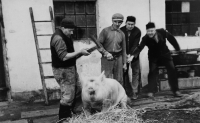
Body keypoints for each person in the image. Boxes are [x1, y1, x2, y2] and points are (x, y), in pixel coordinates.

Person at [50, 18, 90, 122]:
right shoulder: (58, 38)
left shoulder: (66, 35)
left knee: (77, 90)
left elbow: (70, 55)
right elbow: (64, 57)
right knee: (68, 96)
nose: (72, 32)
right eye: (70, 30)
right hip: (63, 70)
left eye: (73, 30)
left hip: (70, 68)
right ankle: (63, 119)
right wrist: (80, 51)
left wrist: (81, 53)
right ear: (63, 28)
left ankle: (75, 114)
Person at [131, 22, 182, 97]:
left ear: (155, 30)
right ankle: (151, 90)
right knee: (152, 71)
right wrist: (133, 55)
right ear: (146, 31)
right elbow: (140, 47)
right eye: (148, 31)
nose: (150, 33)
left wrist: (177, 48)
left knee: (172, 69)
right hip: (153, 56)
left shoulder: (162, 32)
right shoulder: (145, 38)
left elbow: (171, 38)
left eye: (152, 31)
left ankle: (176, 90)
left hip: (165, 55)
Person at [97, 13, 127, 85]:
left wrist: (124, 63)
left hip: (118, 58)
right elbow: (98, 45)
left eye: (119, 22)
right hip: (107, 58)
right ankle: (106, 95)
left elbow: (124, 49)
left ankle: (117, 95)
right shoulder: (105, 31)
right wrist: (105, 53)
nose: (117, 24)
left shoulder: (122, 34)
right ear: (112, 21)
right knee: (106, 78)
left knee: (119, 79)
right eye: (115, 21)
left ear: (122, 22)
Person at [120, 16, 141, 99]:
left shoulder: (137, 31)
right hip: (123, 54)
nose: (130, 26)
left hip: (134, 55)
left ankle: (135, 92)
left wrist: (131, 55)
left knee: (135, 72)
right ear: (125, 23)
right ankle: (126, 92)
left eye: (132, 24)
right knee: (124, 73)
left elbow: (136, 44)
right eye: (129, 24)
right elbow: (121, 43)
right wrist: (125, 54)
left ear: (134, 24)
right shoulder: (121, 30)